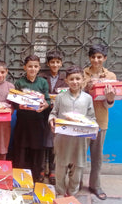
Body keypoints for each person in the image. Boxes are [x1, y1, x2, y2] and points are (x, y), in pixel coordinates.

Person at [48, 65, 96, 196]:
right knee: (60, 167)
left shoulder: (87, 98)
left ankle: (73, 193)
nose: (75, 82)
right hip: (63, 138)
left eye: (78, 79)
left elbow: (92, 117)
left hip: (80, 140)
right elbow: (54, 113)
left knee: (78, 167)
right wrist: (51, 120)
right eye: (72, 79)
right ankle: (60, 191)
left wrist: (92, 127)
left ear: (82, 80)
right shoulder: (60, 97)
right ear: (67, 81)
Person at [83, 44, 116, 200]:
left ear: (104, 58)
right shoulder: (83, 74)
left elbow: (110, 103)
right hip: (82, 121)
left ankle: (95, 185)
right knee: (78, 156)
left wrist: (110, 98)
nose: (96, 60)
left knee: (97, 157)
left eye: (99, 57)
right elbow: (76, 94)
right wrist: (87, 87)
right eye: (93, 57)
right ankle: (74, 184)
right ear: (89, 58)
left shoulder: (111, 76)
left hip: (100, 120)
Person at [12, 55, 50, 182]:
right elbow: (14, 102)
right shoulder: (19, 83)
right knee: (21, 149)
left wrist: (45, 105)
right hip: (23, 122)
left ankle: (35, 177)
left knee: (36, 149)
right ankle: (20, 178)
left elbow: (48, 100)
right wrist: (20, 104)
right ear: (25, 67)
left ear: (39, 68)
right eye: (30, 66)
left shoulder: (43, 82)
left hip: (38, 122)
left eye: (35, 66)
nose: (32, 69)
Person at [40, 51, 68, 184]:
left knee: (53, 144)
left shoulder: (65, 79)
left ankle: (52, 170)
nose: (55, 64)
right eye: (52, 62)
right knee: (42, 142)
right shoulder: (42, 77)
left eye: (57, 62)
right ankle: (41, 169)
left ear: (61, 64)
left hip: (57, 115)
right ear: (48, 63)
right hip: (42, 114)